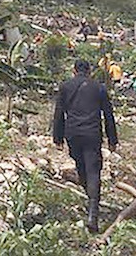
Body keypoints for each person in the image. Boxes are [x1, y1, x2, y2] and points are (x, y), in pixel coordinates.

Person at [53, 59, 118, 233]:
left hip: (73, 134)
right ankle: (93, 213)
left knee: (82, 169)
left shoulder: (65, 86)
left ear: (74, 71)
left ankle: (92, 209)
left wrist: (57, 137)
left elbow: (59, 113)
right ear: (89, 71)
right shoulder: (99, 87)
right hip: (92, 134)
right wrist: (113, 140)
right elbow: (108, 115)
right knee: (93, 171)